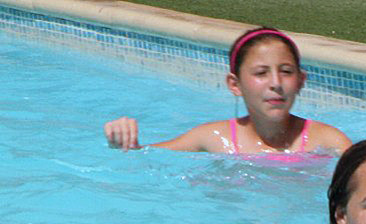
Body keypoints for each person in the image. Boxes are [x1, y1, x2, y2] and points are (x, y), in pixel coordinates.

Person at [103, 27, 350, 155]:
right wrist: (123, 142)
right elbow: (145, 156)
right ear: (235, 84)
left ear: (301, 80)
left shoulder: (327, 141)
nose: (275, 83)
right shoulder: (210, 138)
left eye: (286, 71)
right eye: (261, 73)